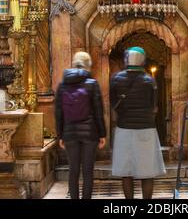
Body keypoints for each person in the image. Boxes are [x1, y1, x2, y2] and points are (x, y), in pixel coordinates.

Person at [110, 46, 166, 199]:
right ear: (142, 60)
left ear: (126, 59)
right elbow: (154, 106)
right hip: (146, 130)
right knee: (147, 172)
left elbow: (113, 103)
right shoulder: (150, 80)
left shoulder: (116, 79)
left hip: (124, 129)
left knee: (126, 172)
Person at [55, 51, 106, 199]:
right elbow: (98, 111)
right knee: (88, 171)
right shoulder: (92, 84)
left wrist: (60, 135)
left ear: (74, 63)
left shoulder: (62, 85)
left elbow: (59, 113)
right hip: (90, 134)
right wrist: (102, 134)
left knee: (73, 170)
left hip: (70, 133)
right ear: (88, 65)